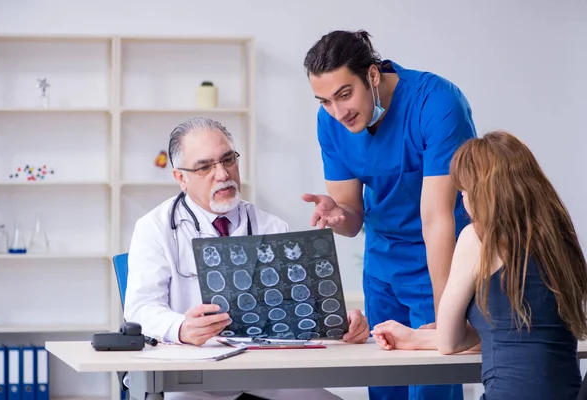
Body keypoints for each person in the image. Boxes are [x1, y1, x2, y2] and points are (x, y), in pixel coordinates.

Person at [124, 116, 370, 400]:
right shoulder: (155, 228)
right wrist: (181, 328)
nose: (222, 174)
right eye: (205, 167)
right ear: (181, 178)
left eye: (228, 160)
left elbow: (306, 311)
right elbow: (140, 309)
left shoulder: (272, 228)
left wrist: (341, 322)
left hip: (263, 375)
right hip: (189, 377)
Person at [302, 29, 476, 400]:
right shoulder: (330, 123)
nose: (338, 112)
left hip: (439, 265)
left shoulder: (437, 103)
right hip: (382, 269)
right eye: (325, 102)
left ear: (372, 75)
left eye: (344, 95)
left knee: (432, 388)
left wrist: (448, 315)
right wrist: (338, 215)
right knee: (386, 388)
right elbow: (353, 218)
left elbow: (437, 218)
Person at [371, 131, 587, 399]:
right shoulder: (560, 242)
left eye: (464, 191)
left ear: (483, 193)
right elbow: (520, 333)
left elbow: (449, 341)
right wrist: (415, 339)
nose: (463, 200)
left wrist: (419, 337)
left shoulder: (477, 239)